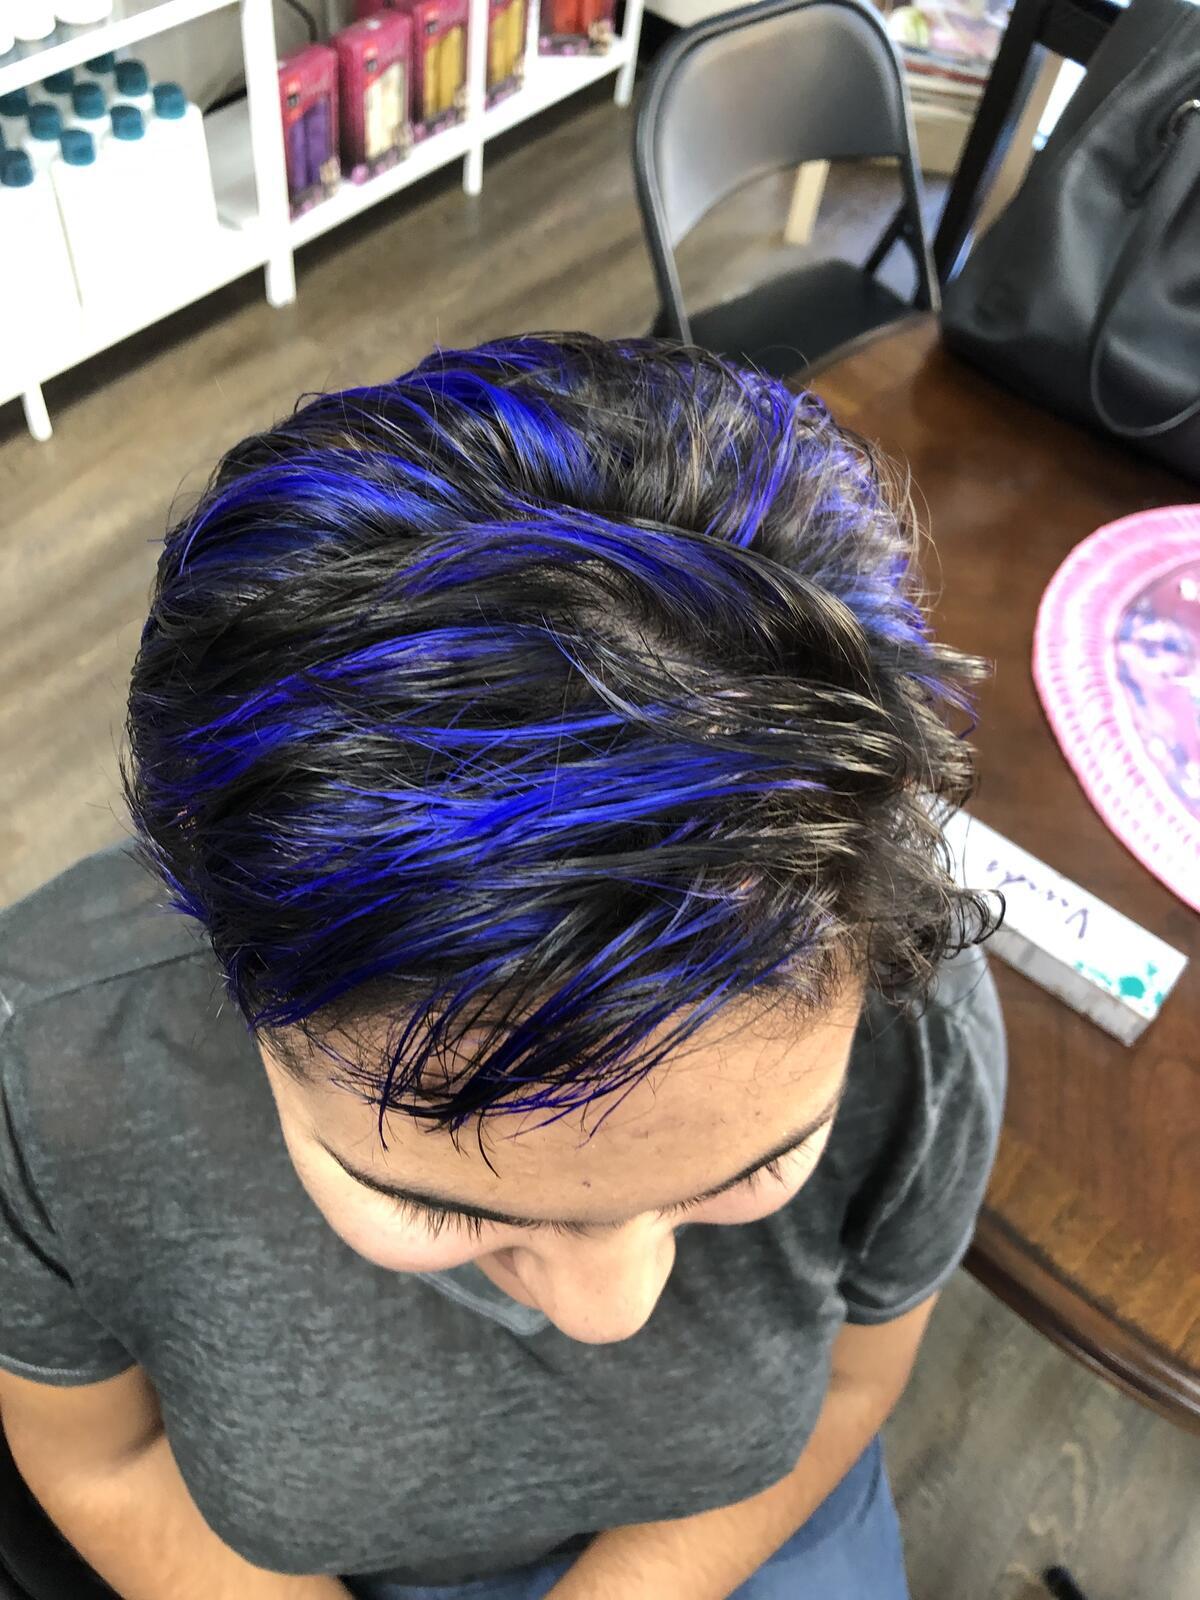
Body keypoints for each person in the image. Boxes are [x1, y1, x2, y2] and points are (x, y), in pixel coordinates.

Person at [0, 334, 1006, 1600]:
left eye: (753, 1167)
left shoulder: (919, 1022)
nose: (609, 1311)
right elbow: (102, 1458)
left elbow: (857, 1376)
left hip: (746, 1524)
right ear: (224, 961)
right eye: (445, 1206)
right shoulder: (47, 1075)